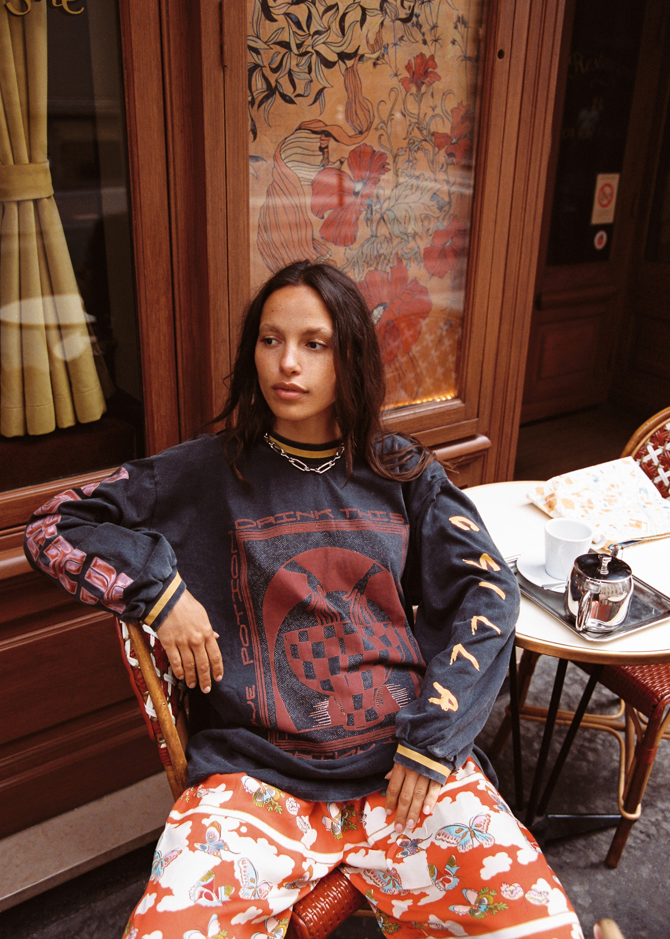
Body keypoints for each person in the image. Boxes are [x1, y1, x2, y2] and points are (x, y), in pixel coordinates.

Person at [25, 261, 583, 939]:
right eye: (270, 339)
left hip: (406, 774)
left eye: (314, 343)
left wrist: (433, 737)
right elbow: (55, 524)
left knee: (543, 925)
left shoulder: (401, 472)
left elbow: (490, 591)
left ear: (349, 354)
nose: (286, 363)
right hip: (254, 783)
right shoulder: (206, 472)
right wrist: (160, 591)